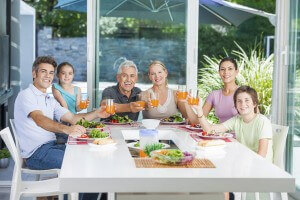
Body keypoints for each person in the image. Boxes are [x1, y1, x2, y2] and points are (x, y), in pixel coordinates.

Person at [14, 56, 110, 170]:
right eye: (43, 72)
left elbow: (72, 118)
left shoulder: (49, 99)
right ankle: (75, 187)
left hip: (52, 146)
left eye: (51, 73)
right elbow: (40, 119)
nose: (48, 76)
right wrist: (66, 129)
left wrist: (97, 113)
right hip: (36, 153)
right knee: (78, 162)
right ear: (34, 74)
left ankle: (77, 187)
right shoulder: (26, 95)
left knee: (88, 153)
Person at [188, 85, 273, 161]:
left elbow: (261, 155)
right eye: (239, 101)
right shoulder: (237, 119)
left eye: (247, 100)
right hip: (245, 162)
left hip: (260, 167)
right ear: (235, 105)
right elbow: (209, 130)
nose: (243, 104)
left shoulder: (262, 121)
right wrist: (199, 110)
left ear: (254, 104)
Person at [191, 57, 239, 124]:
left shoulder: (244, 93)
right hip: (221, 133)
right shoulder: (214, 95)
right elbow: (197, 121)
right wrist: (186, 103)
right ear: (219, 72)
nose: (226, 72)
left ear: (236, 72)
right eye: (222, 69)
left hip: (240, 134)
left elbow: (256, 119)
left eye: (230, 69)